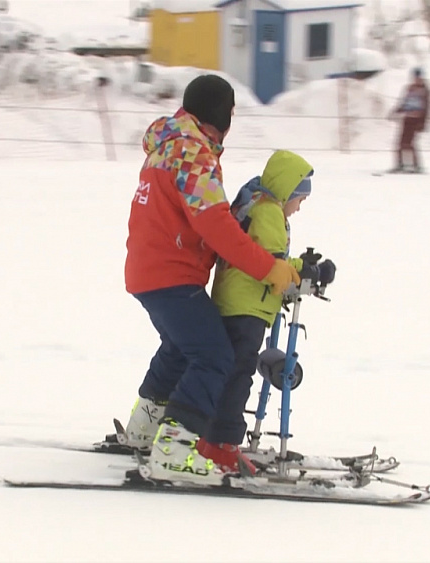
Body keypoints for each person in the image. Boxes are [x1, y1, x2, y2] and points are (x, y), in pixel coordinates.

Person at [120, 75, 302, 485]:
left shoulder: (167, 145)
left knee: (182, 348)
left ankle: (144, 429)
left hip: (148, 269)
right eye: (232, 110)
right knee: (214, 354)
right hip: (170, 273)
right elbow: (214, 225)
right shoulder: (191, 152)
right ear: (222, 113)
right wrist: (268, 267)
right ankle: (173, 450)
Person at [202, 150, 337, 473]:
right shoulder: (269, 212)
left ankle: (212, 437)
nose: (299, 207)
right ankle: (222, 446)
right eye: (299, 199)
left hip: (237, 302)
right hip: (246, 307)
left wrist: (298, 269)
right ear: (288, 191)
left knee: (232, 371)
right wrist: (308, 271)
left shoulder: (254, 206)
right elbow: (272, 263)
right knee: (240, 373)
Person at [389, 67, 430, 174]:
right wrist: (396, 111)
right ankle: (400, 164)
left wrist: (424, 122)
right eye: (415, 77)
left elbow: (428, 107)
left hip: (417, 119)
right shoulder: (410, 88)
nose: (417, 79)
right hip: (407, 118)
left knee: (410, 143)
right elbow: (404, 102)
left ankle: (416, 165)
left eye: (419, 77)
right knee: (400, 143)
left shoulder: (425, 90)